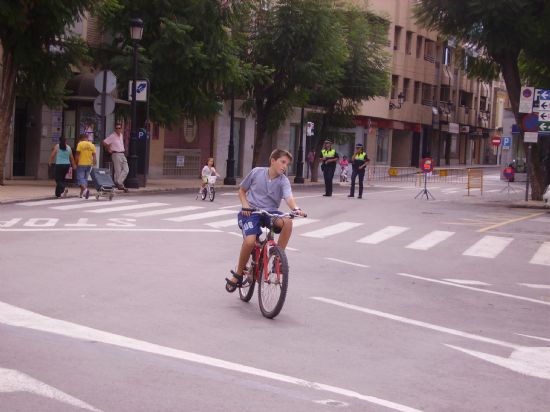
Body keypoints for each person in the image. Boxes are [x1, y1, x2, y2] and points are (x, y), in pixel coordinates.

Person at [224, 149, 307, 293]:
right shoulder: (257, 172)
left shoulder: (283, 181)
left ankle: (277, 258)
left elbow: (289, 198)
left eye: (287, 164)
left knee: (288, 221)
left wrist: (296, 209)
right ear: (273, 161)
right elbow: (242, 190)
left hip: (270, 212)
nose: (285, 166)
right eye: (282, 162)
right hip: (251, 211)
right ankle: (238, 275)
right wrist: (245, 205)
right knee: (250, 242)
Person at [103, 123, 129, 192]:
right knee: (118, 171)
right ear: (115, 129)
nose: (118, 129)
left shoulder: (121, 135)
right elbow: (104, 142)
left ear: (121, 129)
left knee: (126, 169)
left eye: (119, 128)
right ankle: (121, 186)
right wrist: (109, 149)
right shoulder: (112, 136)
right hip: (116, 154)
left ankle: (118, 182)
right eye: (117, 128)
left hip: (122, 154)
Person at [75, 133, 97, 199]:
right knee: (85, 179)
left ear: (81, 138)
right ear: (87, 138)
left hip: (81, 163)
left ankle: (86, 190)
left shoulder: (80, 144)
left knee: (80, 179)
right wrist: (94, 162)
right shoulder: (92, 145)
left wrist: (75, 163)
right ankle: (81, 194)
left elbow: (77, 155)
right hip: (89, 164)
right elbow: (94, 155)